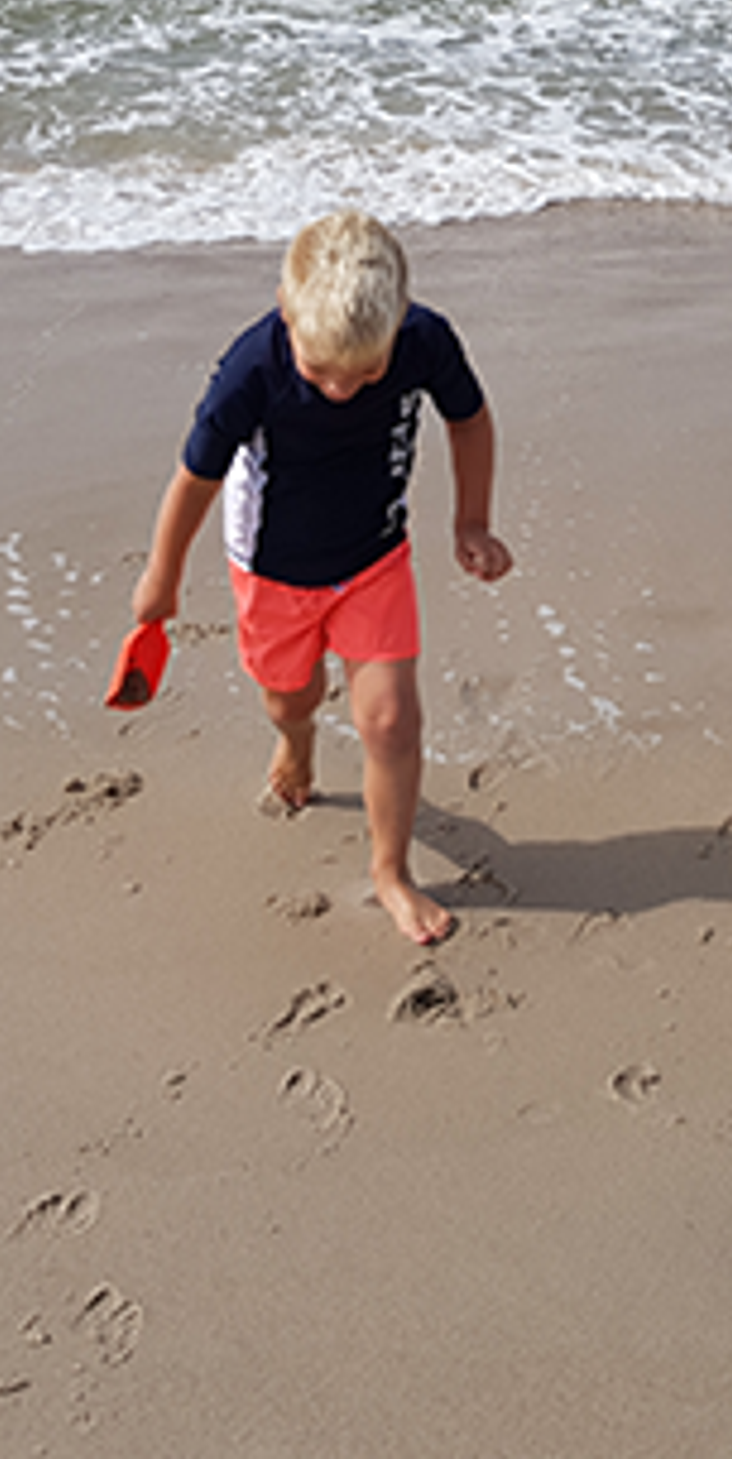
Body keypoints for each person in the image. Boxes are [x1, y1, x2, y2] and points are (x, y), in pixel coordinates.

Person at [129, 209, 513, 945]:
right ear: (286, 311)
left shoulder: (424, 341)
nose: (342, 390)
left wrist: (471, 521)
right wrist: (162, 576)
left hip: (374, 557)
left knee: (392, 719)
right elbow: (195, 479)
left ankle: (390, 873)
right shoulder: (251, 369)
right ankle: (296, 738)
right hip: (274, 571)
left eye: (366, 374)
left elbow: (469, 419)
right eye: (321, 372)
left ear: (399, 321)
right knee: (288, 695)